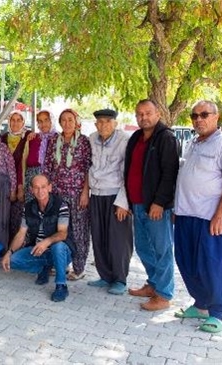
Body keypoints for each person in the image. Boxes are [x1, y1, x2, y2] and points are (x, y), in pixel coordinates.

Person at [173, 101, 222, 333]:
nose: (198, 119)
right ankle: (200, 304)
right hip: (185, 214)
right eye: (194, 116)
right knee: (186, 262)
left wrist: (220, 214)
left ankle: (217, 313)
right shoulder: (192, 143)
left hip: (209, 217)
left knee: (212, 265)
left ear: (216, 116)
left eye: (204, 115)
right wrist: (176, 208)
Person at [124, 99, 179, 311]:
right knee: (143, 247)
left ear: (158, 114)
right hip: (137, 204)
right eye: (139, 114)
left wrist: (159, 203)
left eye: (148, 113)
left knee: (162, 250)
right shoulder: (136, 137)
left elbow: (170, 174)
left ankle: (164, 295)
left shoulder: (166, 138)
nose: (143, 117)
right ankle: (153, 284)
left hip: (156, 207)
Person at [2, 174, 74, 302]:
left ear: (50, 187)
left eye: (43, 187)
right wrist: (9, 252)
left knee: (58, 247)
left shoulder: (61, 205)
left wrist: (46, 242)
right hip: (38, 251)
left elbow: (63, 233)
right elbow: (21, 234)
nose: (40, 191)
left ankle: (61, 285)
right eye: (36, 187)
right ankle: (44, 268)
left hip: (61, 251)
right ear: (31, 190)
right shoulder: (28, 207)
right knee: (12, 260)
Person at [87, 109, 133, 295]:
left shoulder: (124, 140)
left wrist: (123, 202)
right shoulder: (91, 138)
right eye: (99, 121)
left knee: (118, 240)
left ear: (115, 123)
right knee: (99, 237)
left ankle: (120, 279)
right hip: (96, 195)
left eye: (107, 121)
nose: (103, 125)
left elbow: (128, 173)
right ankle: (105, 275)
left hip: (115, 196)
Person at [43, 108, 92, 281]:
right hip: (58, 193)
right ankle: (61, 264)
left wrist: (85, 192)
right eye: (63, 120)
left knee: (79, 231)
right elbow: (48, 166)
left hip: (78, 193)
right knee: (60, 229)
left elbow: (88, 168)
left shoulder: (83, 142)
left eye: (70, 119)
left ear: (76, 121)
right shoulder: (54, 140)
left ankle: (79, 268)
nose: (67, 123)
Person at [1, 111, 32, 240]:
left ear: (23, 122)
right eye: (13, 120)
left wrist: (20, 186)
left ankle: (16, 248)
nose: (15, 123)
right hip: (3, 184)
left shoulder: (28, 137)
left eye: (19, 120)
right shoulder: (2, 138)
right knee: (3, 217)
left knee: (18, 216)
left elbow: (23, 164)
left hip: (21, 183)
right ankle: (4, 247)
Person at [23, 110, 57, 202]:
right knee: (31, 210)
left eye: (46, 120)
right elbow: (23, 163)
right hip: (32, 182)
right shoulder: (33, 138)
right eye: (40, 121)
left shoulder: (58, 139)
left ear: (51, 121)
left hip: (49, 181)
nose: (43, 124)